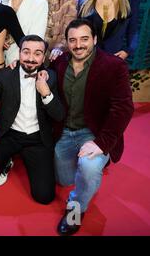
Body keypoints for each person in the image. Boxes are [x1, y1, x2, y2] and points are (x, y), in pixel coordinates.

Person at [52, 18, 134, 235]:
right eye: (73, 40)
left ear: (95, 39)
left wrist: (101, 144)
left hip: (95, 133)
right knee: (63, 179)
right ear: (67, 42)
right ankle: (94, 171)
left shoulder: (114, 66)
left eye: (84, 39)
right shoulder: (60, 63)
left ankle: (76, 210)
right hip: (65, 131)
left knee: (88, 170)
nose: (78, 45)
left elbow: (123, 109)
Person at [0, 35, 64, 205]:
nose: (31, 58)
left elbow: (59, 115)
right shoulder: (5, 75)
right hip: (9, 134)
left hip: (37, 139)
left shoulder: (50, 76)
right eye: (26, 52)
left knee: (44, 197)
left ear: (44, 57)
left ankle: (24, 159)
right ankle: (7, 162)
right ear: (19, 53)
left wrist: (46, 93)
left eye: (37, 54)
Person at [1, 0, 49, 65]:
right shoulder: (3, 0)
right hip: (0, 58)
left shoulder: (39, 3)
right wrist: (0, 41)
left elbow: (37, 38)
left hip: (24, 60)